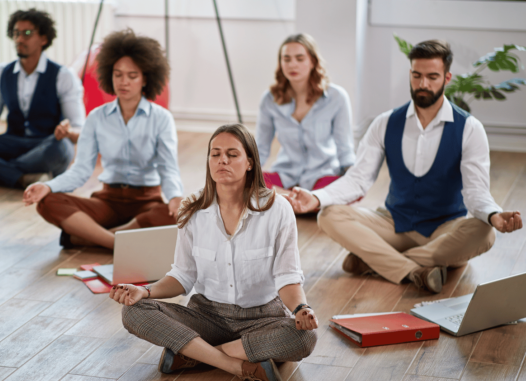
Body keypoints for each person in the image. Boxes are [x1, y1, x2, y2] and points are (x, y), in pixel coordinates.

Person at [285, 40, 523, 293]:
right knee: (329, 215)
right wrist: (316, 197)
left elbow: (476, 192)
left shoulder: (470, 128)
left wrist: (494, 215)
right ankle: (417, 268)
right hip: (393, 223)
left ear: (447, 77)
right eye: (417, 75)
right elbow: (358, 179)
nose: (423, 84)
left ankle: (376, 262)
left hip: (444, 229)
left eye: (432, 77)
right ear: (410, 74)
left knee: (485, 232)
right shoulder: (385, 123)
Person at [109, 124, 318, 381]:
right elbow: (183, 275)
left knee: (305, 336)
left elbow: (287, 277)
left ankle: (194, 355)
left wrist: (301, 309)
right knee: (133, 310)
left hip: (263, 319)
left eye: (232, 154)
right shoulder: (192, 208)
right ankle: (236, 365)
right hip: (207, 317)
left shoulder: (277, 209)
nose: (222, 160)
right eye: (215, 153)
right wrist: (146, 291)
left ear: (250, 162)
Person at [23, 29, 183, 250]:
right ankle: (116, 243)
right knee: (48, 201)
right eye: (118, 74)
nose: (123, 82)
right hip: (107, 202)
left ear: (146, 78)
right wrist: (48, 186)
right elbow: (80, 170)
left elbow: (169, 168)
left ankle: (87, 237)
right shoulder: (96, 117)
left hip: (147, 204)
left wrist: (175, 197)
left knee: (181, 215)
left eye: (132, 75)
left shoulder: (161, 118)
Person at [0, 8, 86, 189]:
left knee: (61, 149)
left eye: (27, 34)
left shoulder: (63, 75)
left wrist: (67, 132)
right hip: (11, 143)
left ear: (44, 39)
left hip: (45, 144)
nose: (20, 39)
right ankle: (22, 177)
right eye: (16, 34)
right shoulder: (1, 73)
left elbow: (79, 130)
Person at [257, 33, 355, 193]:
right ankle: (298, 202)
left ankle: (288, 203)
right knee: (247, 184)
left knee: (346, 189)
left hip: (323, 176)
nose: (292, 65)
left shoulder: (336, 97)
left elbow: (345, 148)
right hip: (285, 175)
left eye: (300, 58)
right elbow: (261, 148)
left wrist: (352, 179)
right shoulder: (269, 99)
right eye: (286, 59)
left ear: (312, 61)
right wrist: (243, 175)